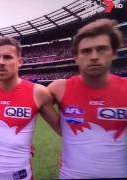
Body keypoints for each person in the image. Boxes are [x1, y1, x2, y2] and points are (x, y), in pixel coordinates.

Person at [48, 18, 127, 178]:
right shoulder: (59, 88)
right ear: (76, 57)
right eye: (86, 51)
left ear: (113, 53)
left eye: (101, 49)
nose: (94, 56)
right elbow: (26, 100)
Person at [0, 37, 60, 180]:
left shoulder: (38, 93)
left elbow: (65, 130)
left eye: (7, 57)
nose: (1, 62)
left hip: (20, 176)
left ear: (19, 62)